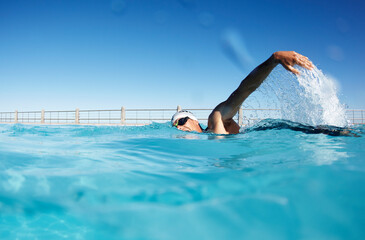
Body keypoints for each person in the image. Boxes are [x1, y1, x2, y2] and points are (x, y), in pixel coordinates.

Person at [171, 51, 314, 134]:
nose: (179, 127)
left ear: (195, 121)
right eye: (175, 126)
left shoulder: (216, 119)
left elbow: (243, 91)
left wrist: (273, 60)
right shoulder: (205, 139)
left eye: (181, 121)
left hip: (286, 132)